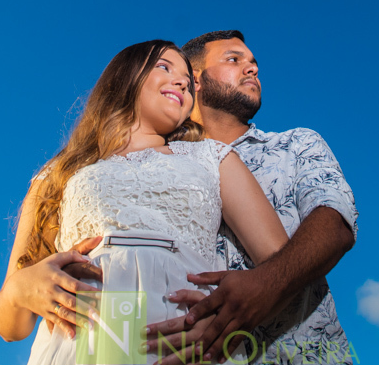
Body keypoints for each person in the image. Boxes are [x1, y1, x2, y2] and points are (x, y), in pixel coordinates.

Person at [0, 40, 289, 365]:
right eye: (164, 67)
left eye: (188, 83)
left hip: (186, 343)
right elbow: (10, 326)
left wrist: (233, 313)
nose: (181, 83)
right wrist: (20, 289)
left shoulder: (212, 158)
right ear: (125, 76)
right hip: (75, 347)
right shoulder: (59, 173)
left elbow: (284, 268)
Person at [145, 30, 358, 365]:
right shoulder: (157, 163)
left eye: (253, 63)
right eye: (234, 59)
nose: (252, 69)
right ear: (194, 79)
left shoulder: (296, 144)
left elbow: (335, 224)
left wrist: (265, 285)